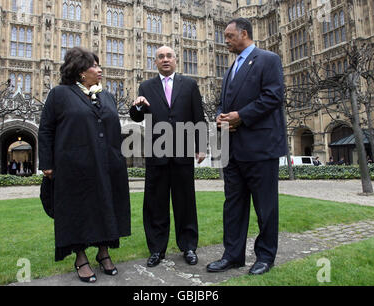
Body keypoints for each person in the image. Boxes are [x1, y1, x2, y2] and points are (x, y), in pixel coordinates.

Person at [38, 47, 131, 283]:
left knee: (105, 207)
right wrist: (47, 164)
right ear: (81, 71)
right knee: (77, 211)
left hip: (107, 164)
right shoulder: (59, 94)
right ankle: (80, 257)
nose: (100, 70)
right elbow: (46, 129)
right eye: (95, 66)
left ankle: (103, 252)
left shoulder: (106, 96)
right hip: (74, 166)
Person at [206, 18, 286, 275]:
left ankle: (265, 256)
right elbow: (224, 103)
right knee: (233, 205)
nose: (225, 41)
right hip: (234, 149)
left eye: (229, 36)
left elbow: (273, 96)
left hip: (260, 147)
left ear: (244, 33)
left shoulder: (268, 59)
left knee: (265, 206)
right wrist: (220, 117)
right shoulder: (231, 68)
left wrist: (242, 116)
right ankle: (233, 255)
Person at [129, 45, 206, 268]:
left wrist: (200, 146)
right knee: (156, 203)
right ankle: (156, 249)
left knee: (186, 202)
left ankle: (189, 247)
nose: (165, 59)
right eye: (160, 57)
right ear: (155, 62)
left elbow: (198, 117)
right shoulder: (146, 86)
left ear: (176, 60)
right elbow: (136, 117)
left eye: (169, 56)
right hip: (157, 154)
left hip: (182, 153)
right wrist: (137, 106)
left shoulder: (189, 85)